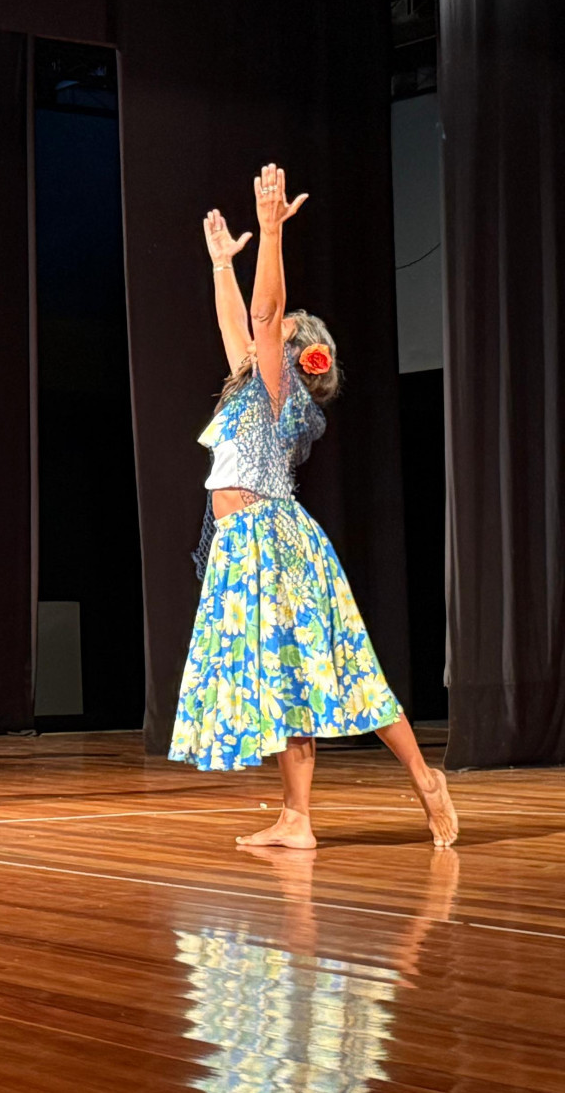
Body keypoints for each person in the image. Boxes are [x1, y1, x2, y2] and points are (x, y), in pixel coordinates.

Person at [170, 164, 458, 849]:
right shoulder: (251, 388)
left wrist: (270, 234)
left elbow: (265, 315)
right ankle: (296, 816)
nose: (267, 334)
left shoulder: (279, 392)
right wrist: (219, 268)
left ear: (297, 355)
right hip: (243, 545)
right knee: (283, 675)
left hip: (274, 541)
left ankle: (426, 779)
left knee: (346, 667)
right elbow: (241, 324)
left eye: (282, 334)